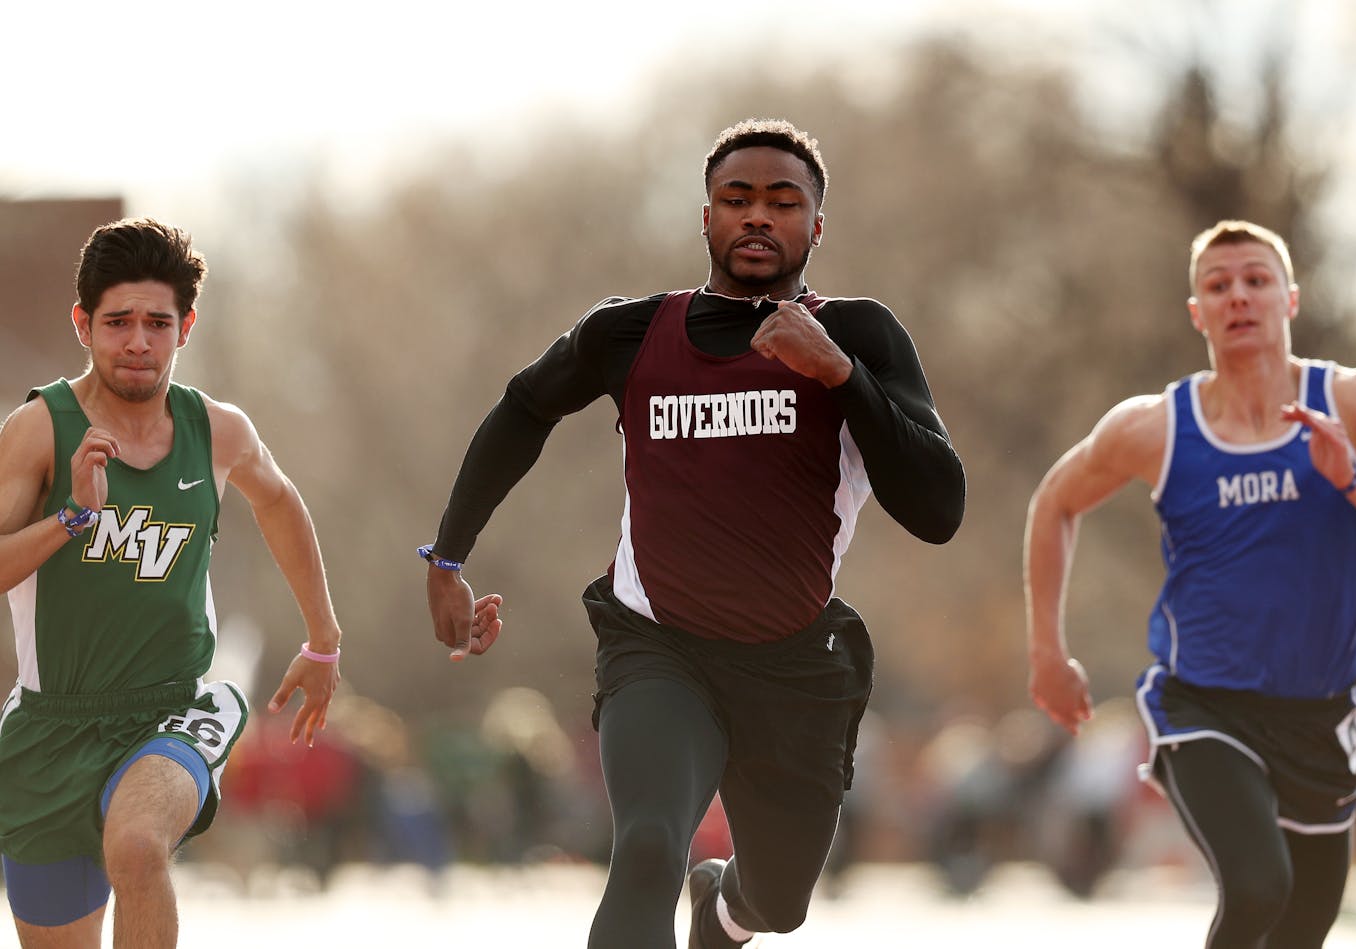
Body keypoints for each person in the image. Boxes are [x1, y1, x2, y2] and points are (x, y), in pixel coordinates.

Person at [422, 117, 965, 948]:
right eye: (735, 198)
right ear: (704, 217)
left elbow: (939, 511)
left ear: (816, 226)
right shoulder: (633, 333)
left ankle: (723, 913)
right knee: (645, 848)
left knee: (778, 902)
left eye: (784, 203)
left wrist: (840, 376)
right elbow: (524, 405)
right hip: (658, 645)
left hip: (795, 663)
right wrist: (448, 556)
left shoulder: (859, 334)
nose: (758, 216)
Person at [1024, 219, 1356, 947]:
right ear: (1197, 311)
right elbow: (1054, 502)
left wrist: (1353, 481)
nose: (1238, 295)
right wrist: (1047, 652)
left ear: (1290, 299)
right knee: (1257, 886)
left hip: (1320, 713)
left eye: (1256, 280)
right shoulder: (1154, 426)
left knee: (1301, 925)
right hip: (1203, 704)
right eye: (1218, 284)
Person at [0, 218, 343, 947]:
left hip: (175, 709)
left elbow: (278, 500)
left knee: (136, 845)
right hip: (49, 725)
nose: (138, 341)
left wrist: (323, 638)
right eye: (118, 321)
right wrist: (71, 516)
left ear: (185, 326)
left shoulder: (217, 430)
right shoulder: (37, 430)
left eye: (158, 323)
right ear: (83, 323)